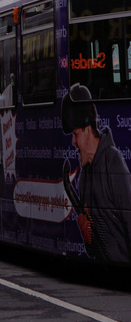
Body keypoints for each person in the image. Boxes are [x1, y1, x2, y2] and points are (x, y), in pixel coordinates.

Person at [61, 83, 131, 263]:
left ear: (86, 129)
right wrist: (88, 239)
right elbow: (93, 250)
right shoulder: (84, 176)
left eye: (75, 134)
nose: (74, 142)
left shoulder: (112, 162)